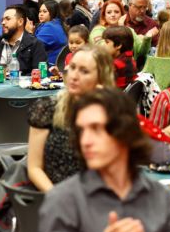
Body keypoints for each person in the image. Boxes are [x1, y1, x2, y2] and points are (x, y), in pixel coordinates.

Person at [35, 88, 170, 232]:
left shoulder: (163, 200)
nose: (85, 141)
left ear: (124, 133)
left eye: (96, 129)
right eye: (82, 131)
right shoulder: (63, 200)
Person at [27, 44, 115, 192]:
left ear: (101, 78)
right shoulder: (47, 108)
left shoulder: (112, 111)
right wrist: (59, 197)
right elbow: (34, 168)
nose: (74, 76)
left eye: (84, 71)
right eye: (72, 67)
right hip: (55, 196)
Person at [0, 4, 48, 75]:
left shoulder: (35, 45)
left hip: (23, 85)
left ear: (20, 22)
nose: (3, 23)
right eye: (2, 20)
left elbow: (39, 74)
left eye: (8, 19)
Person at [33, 0, 68, 65]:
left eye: (45, 11)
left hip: (49, 67)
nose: (41, 14)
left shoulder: (50, 27)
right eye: (40, 11)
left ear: (53, 12)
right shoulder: (58, 24)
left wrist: (28, 32)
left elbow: (34, 47)